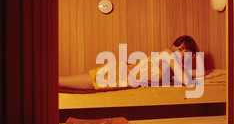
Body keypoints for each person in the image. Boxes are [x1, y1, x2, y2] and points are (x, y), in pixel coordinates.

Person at [59, 35, 200, 90]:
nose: (182, 55)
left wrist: (205, 73)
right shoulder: (167, 53)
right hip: (122, 74)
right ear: (173, 47)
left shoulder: (172, 69)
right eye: (180, 49)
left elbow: (186, 75)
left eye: (187, 53)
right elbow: (186, 80)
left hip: (124, 75)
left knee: (81, 80)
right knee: (63, 82)